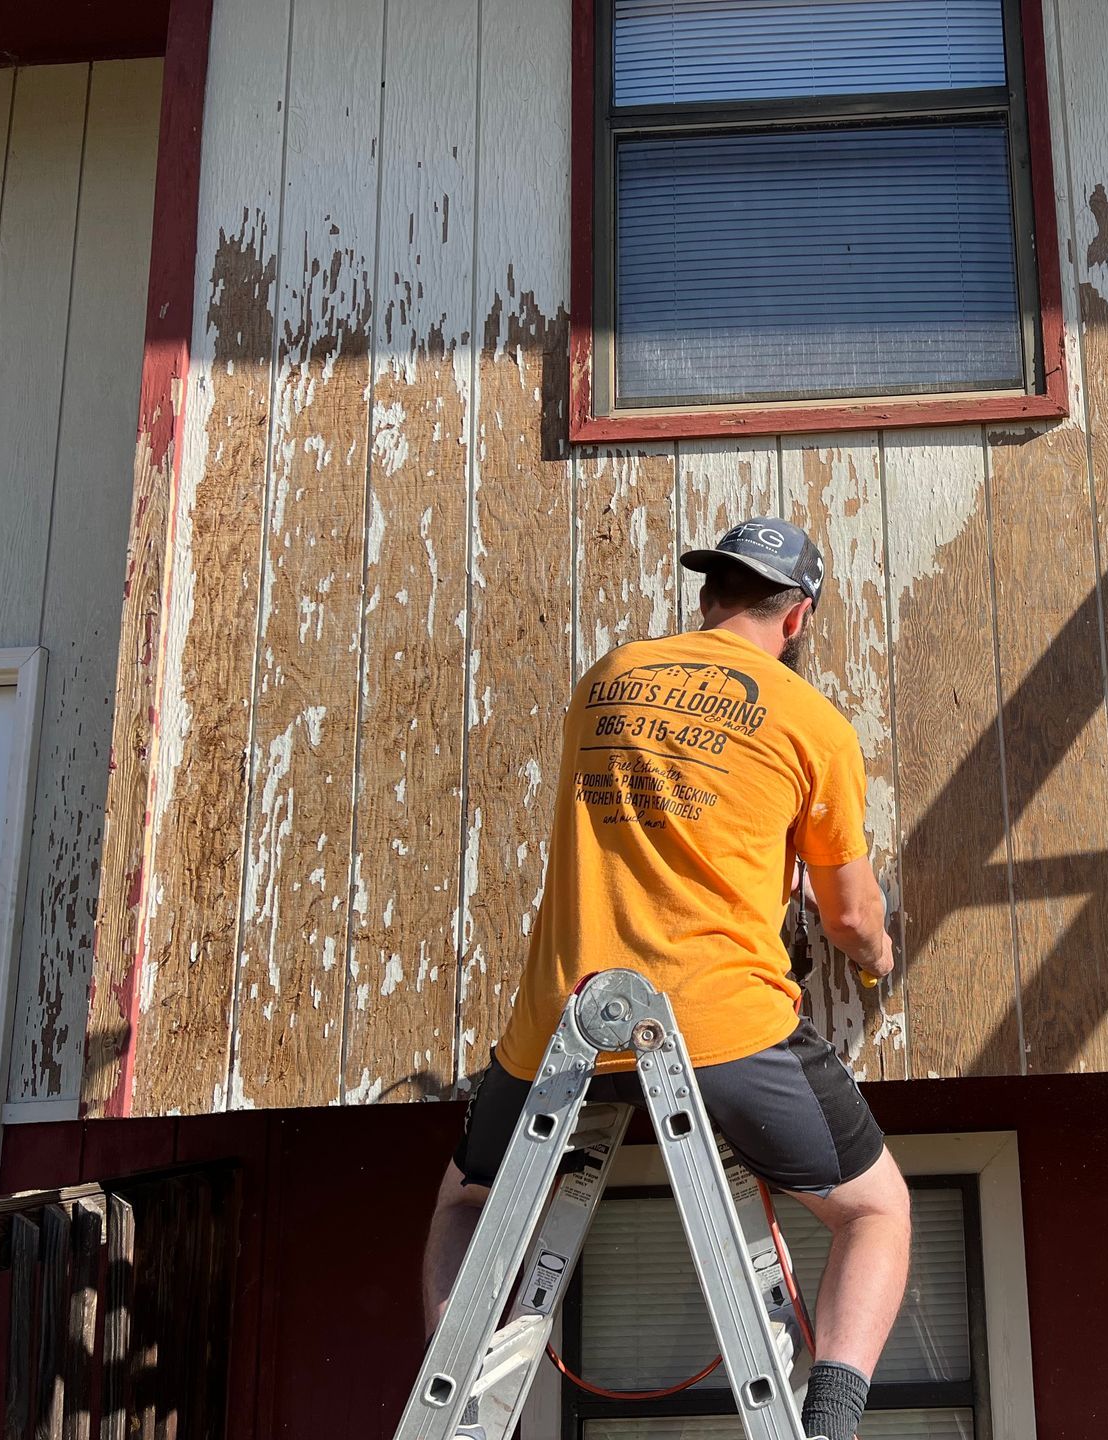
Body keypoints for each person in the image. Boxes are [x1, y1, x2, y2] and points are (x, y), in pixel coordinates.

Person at [424, 517, 909, 1440]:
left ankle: (454, 1411)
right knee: (875, 1211)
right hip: (723, 1034)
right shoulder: (811, 723)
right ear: (797, 618)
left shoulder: (607, 679)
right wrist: (878, 957)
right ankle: (831, 1423)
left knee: (467, 1204)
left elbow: (653, 815)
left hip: (563, 1030)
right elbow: (850, 918)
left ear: (708, 596)